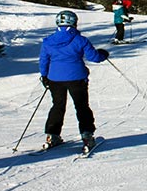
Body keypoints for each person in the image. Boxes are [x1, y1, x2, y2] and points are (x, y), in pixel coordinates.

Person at [39, 10, 108, 153]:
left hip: (55, 79)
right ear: (74, 23)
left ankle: (52, 135)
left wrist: (44, 76)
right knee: (82, 106)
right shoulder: (80, 40)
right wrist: (103, 54)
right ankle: (87, 136)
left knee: (57, 106)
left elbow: (44, 61)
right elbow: (94, 57)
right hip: (76, 78)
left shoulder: (48, 41)